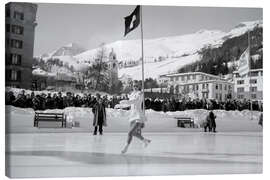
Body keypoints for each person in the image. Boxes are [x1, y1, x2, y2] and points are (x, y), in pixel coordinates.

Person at [120, 83, 151, 154]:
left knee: (130, 133)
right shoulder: (132, 94)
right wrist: (121, 106)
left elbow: (136, 101)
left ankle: (125, 148)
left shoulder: (140, 93)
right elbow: (129, 104)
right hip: (132, 115)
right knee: (134, 133)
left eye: (137, 86)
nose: (135, 87)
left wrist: (127, 101)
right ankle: (145, 141)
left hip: (138, 115)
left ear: (139, 87)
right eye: (134, 86)